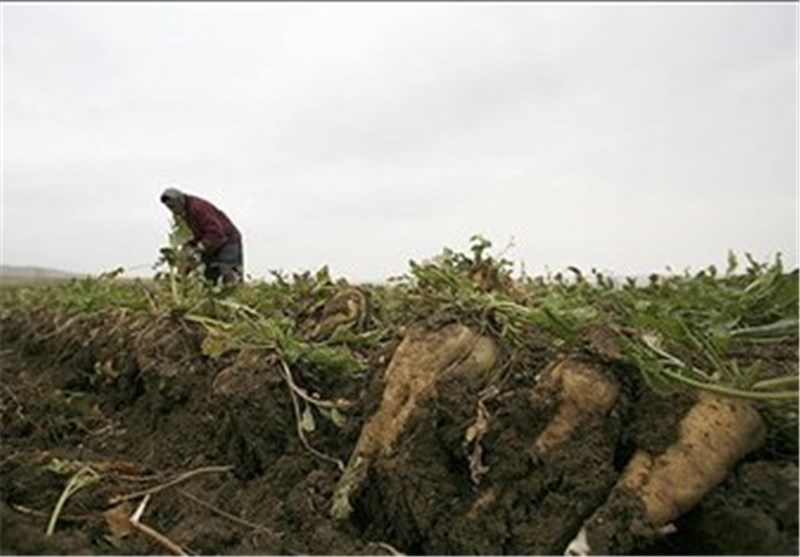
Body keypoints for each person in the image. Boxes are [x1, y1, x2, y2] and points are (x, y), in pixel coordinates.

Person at [159, 187, 244, 285]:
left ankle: (236, 295)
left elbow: (216, 233)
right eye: (169, 208)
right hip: (210, 243)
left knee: (227, 273)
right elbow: (192, 235)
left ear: (180, 201)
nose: (172, 210)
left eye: (173, 206)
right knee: (209, 278)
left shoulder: (198, 208)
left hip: (228, 241)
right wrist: (187, 250)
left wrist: (197, 248)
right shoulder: (183, 214)